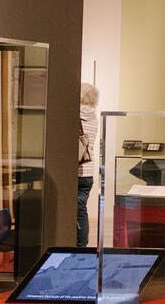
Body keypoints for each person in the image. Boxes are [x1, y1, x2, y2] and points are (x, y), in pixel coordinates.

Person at [76, 83, 99, 247]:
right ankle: (82, 244)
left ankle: (76, 244)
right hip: (88, 173)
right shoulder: (94, 119)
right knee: (81, 211)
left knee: (74, 211)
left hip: (75, 172)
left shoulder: (75, 116)